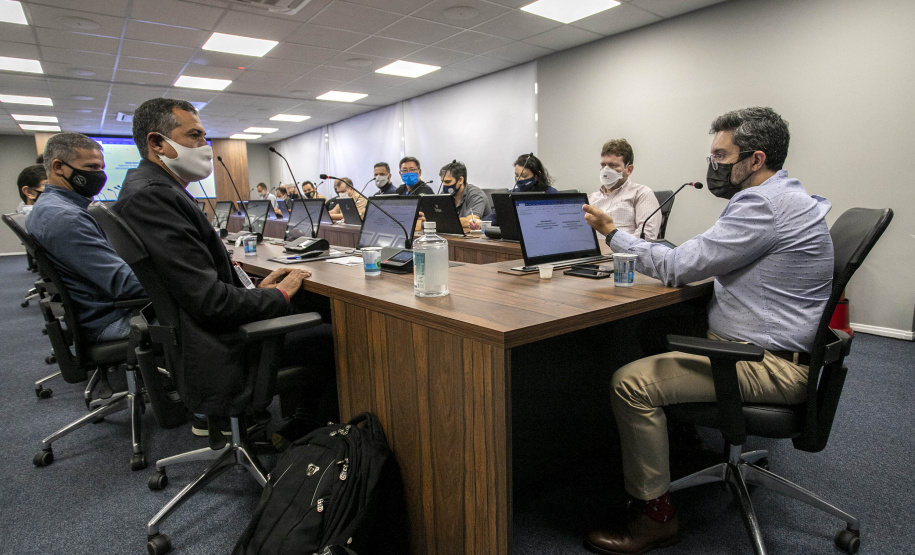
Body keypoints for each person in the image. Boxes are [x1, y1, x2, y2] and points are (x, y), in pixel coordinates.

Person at [581, 107, 833, 555]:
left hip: (767, 361)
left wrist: (613, 233)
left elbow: (677, 268)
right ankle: (684, 443)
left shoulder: (762, 204)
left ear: (754, 160)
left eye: (721, 155)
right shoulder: (787, 196)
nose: (712, 165)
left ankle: (655, 518)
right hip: (775, 345)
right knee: (657, 329)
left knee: (630, 383)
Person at [114, 98, 335, 439]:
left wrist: (258, 292)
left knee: (310, 306)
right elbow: (210, 302)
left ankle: (301, 425)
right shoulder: (153, 197)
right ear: (156, 143)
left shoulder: (153, 190)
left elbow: (196, 287)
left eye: (205, 136)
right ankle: (310, 433)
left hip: (201, 334)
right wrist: (276, 295)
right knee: (335, 332)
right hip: (219, 346)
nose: (204, 145)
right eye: (195, 136)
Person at [25, 133, 145, 342]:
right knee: (208, 313)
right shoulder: (65, 217)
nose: (99, 175)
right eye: (91, 167)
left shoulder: (57, 206)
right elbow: (124, 284)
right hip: (112, 318)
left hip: (101, 310)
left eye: (101, 168)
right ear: (58, 167)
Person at [588, 139, 661, 241]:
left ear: (629, 169)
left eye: (613, 165)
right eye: (603, 165)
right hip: (593, 255)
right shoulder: (590, 199)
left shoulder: (641, 194)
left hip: (625, 254)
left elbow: (647, 237)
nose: (606, 170)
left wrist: (617, 246)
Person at [484, 153, 558, 226]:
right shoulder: (511, 194)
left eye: (524, 176)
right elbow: (497, 216)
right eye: (516, 175)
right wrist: (481, 222)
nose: (519, 179)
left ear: (537, 175)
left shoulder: (550, 193)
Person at [438, 160, 491, 229]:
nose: (444, 185)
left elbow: (470, 221)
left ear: (460, 180)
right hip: (455, 235)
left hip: (477, 238)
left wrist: (440, 221)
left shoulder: (476, 194)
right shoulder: (444, 194)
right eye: (443, 182)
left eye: (448, 182)